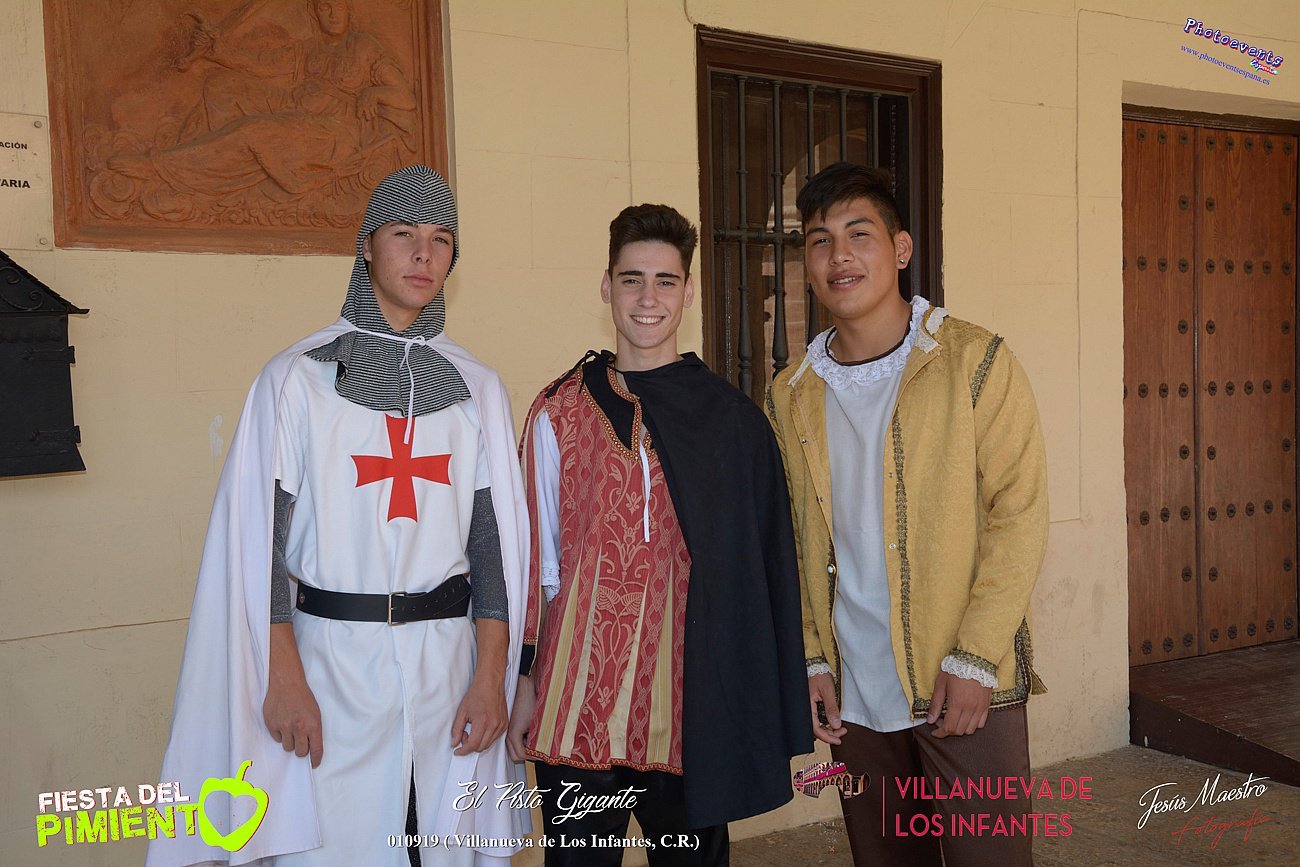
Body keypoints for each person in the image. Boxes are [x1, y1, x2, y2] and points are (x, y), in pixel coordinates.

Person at [146, 166, 528, 867]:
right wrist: (282, 675)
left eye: (441, 239)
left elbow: (492, 545)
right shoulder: (297, 380)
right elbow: (259, 546)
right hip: (329, 668)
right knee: (331, 847)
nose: (423, 254)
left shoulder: (476, 388)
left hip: (448, 666)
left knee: (443, 847)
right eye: (404, 234)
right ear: (366, 245)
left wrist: (491, 674)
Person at [505, 204, 811, 866]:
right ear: (606, 286)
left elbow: (762, 572)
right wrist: (523, 678)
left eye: (666, 281)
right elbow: (536, 562)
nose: (649, 298)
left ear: (688, 291)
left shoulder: (732, 422)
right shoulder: (559, 410)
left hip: (689, 707)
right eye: (632, 279)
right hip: (576, 706)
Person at [766, 162, 1049, 866]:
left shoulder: (973, 360)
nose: (839, 256)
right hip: (854, 690)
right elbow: (791, 535)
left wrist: (976, 656)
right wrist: (810, 657)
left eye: (858, 234)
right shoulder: (792, 392)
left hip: (961, 682)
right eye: (820, 240)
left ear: (900, 249)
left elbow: (1018, 513)